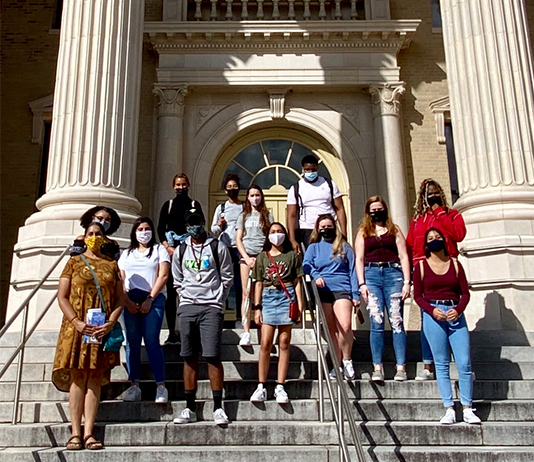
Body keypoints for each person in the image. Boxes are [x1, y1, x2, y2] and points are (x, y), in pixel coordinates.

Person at [52, 222, 124, 450]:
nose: (94, 237)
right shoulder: (73, 262)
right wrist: (77, 322)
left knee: (95, 376)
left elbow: (120, 299)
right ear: (84, 237)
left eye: (98, 234)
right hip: (77, 327)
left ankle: (90, 432)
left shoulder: (111, 265)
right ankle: (75, 432)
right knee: (78, 377)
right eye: (90, 234)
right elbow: (62, 296)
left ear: (104, 238)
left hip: (100, 328)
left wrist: (111, 322)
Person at [172, 207, 234, 425]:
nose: (194, 227)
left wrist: (218, 300)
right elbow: (177, 278)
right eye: (190, 224)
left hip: (211, 307)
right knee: (188, 356)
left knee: (212, 356)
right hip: (188, 306)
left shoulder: (218, 247)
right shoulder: (180, 250)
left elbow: (227, 276)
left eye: (197, 222)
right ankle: (190, 407)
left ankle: (218, 407)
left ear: (204, 222)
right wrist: (185, 296)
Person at [413, 228, 480, 425]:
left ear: (444, 240)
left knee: (464, 362)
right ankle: (449, 407)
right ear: (426, 244)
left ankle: (467, 407)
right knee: (441, 364)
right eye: (430, 238)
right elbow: (417, 295)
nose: (435, 240)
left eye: (438, 237)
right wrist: (431, 310)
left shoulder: (456, 265)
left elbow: (465, 293)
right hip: (433, 315)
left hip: (455, 315)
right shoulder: (421, 267)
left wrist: (458, 309)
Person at [407, 179, 467, 381]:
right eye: (427, 193)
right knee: (428, 317)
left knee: (454, 313)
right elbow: (410, 245)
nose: (431, 196)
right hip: (423, 269)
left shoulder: (452, 215)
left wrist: (440, 213)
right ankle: (428, 365)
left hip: (448, 268)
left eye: (434, 192)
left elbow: (458, 234)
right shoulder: (417, 220)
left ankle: (458, 363)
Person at [354, 197, 411, 382]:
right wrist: (361, 283)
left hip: (393, 274)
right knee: (376, 321)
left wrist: (407, 281)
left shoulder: (395, 230)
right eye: (373, 209)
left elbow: (403, 255)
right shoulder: (363, 231)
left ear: (385, 210)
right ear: (368, 212)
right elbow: (359, 259)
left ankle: (400, 367)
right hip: (371, 275)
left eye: (379, 208)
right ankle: (377, 367)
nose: (377, 212)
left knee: (396, 320)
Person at [249, 222, 304, 403]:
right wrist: (256, 308)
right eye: (273, 232)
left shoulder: (291, 256)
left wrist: (300, 304)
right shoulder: (262, 257)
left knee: (284, 341)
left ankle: (280, 385)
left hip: (286, 297)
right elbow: (257, 282)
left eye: (279, 231)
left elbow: (297, 281)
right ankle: (261, 385)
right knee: (265, 342)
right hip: (268, 296)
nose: (276, 234)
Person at [118, 217, 170, 404]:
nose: (144, 232)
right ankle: (134, 384)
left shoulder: (159, 250)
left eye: (147, 228)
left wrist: (150, 299)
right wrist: (127, 301)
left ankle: (161, 385)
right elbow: (120, 278)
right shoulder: (127, 253)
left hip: (153, 298)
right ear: (134, 232)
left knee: (151, 340)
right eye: (140, 229)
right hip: (130, 299)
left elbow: (163, 275)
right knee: (131, 342)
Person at [303, 214, 360, 380]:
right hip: (323, 290)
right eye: (322, 227)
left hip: (342, 288)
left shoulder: (344, 247)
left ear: (334, 228)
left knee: (345, 325)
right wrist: (315, 274)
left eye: (329, 226)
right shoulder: (314, 247)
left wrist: (355, 294)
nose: (325, 229)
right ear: (317, 229)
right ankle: (337, 364)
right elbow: (306, 264)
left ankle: (347, 359)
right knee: (331, 330)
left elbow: (353, 271)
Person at [157, 173, 204, 345]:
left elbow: (198, 226)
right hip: (170, 251)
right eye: (178, 184)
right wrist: (167, 247)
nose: (180, 187)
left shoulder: (194, 204)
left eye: (183, 184)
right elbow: (160, 228)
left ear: (188, 185)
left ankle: (191, 333)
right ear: (173, 186)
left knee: (190, 291)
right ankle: (171, 332)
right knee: (171, 294)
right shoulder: (168, 205)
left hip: (189, 252)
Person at [235, 184, 274, 346]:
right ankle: (246, 331)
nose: (255, 198)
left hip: (262, 257)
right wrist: (246, 257)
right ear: (247, 198)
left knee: (263, 293)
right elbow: (238, 239)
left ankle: (265, 328)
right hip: (246, 258)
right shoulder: (243, 216)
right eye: (252, 195)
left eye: (257, 195)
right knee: (246, 293)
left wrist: (262, 257)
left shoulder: (267, 215)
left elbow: (271, 237)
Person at [287, 154, 347, 252]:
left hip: (329, 227)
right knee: (313, 258)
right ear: (303, 169)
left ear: (317, 168)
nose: (310, 172)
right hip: (307, 229)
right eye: (307, 170)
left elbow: (339, 208)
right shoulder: (296, 188)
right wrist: (292, 239)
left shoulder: (329, 184)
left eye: (313, 170)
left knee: (331, 256)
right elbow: (291, 215)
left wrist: (344, 233)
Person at [210, 173, 244, 325]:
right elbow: (213, 230)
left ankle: (239, 316)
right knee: (223, 282)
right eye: (229, 187)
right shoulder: (221, 207)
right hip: (225, 248)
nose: (232, 189)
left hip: (240, 248)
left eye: (235, 187)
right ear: (225, 190)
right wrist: (219, 225)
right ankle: (220, 313)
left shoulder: (244, 207)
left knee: (240, 283)